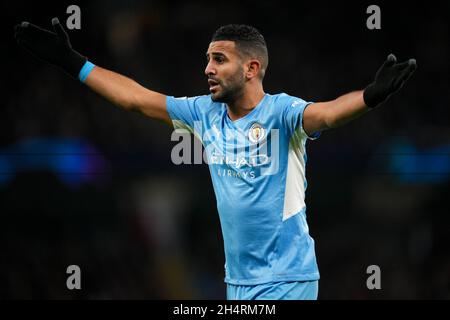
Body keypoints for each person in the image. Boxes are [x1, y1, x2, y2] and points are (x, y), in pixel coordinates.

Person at [14, 18, 417, 300]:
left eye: (219, 59)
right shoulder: (203, 113)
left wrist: (369, 97)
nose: (207, 68)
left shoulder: (282, 113)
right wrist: (71, 63)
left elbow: (327, 113)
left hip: (288, 279)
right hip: (237, 283)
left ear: (251, 68)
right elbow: (135, 98)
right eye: (208, 58)